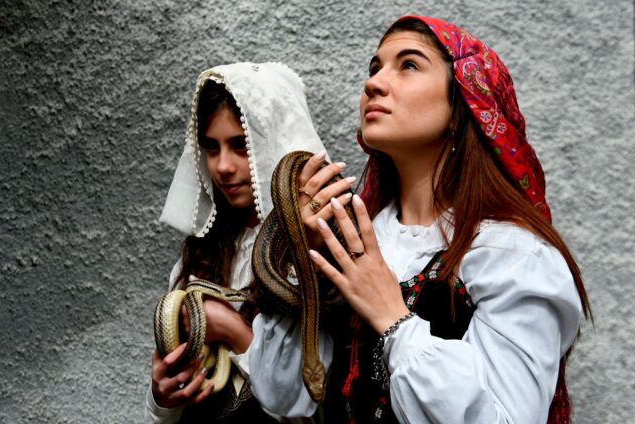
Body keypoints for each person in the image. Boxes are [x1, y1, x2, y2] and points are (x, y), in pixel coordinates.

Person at [248, 16, 591, 423]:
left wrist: (394, 319)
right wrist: (300, 255)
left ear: (462, 104)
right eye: (374, 68)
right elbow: (284, 398)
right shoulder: (357, 239)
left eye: (408, 65)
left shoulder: (513, 256)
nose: (373, 83)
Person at [145, 62, 348, 423]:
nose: (222, 166)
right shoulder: (203, 247)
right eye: (211, 147)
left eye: (240, 145)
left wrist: (233, 332)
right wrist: (162, 398)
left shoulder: (320, 253)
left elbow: (301, 408)